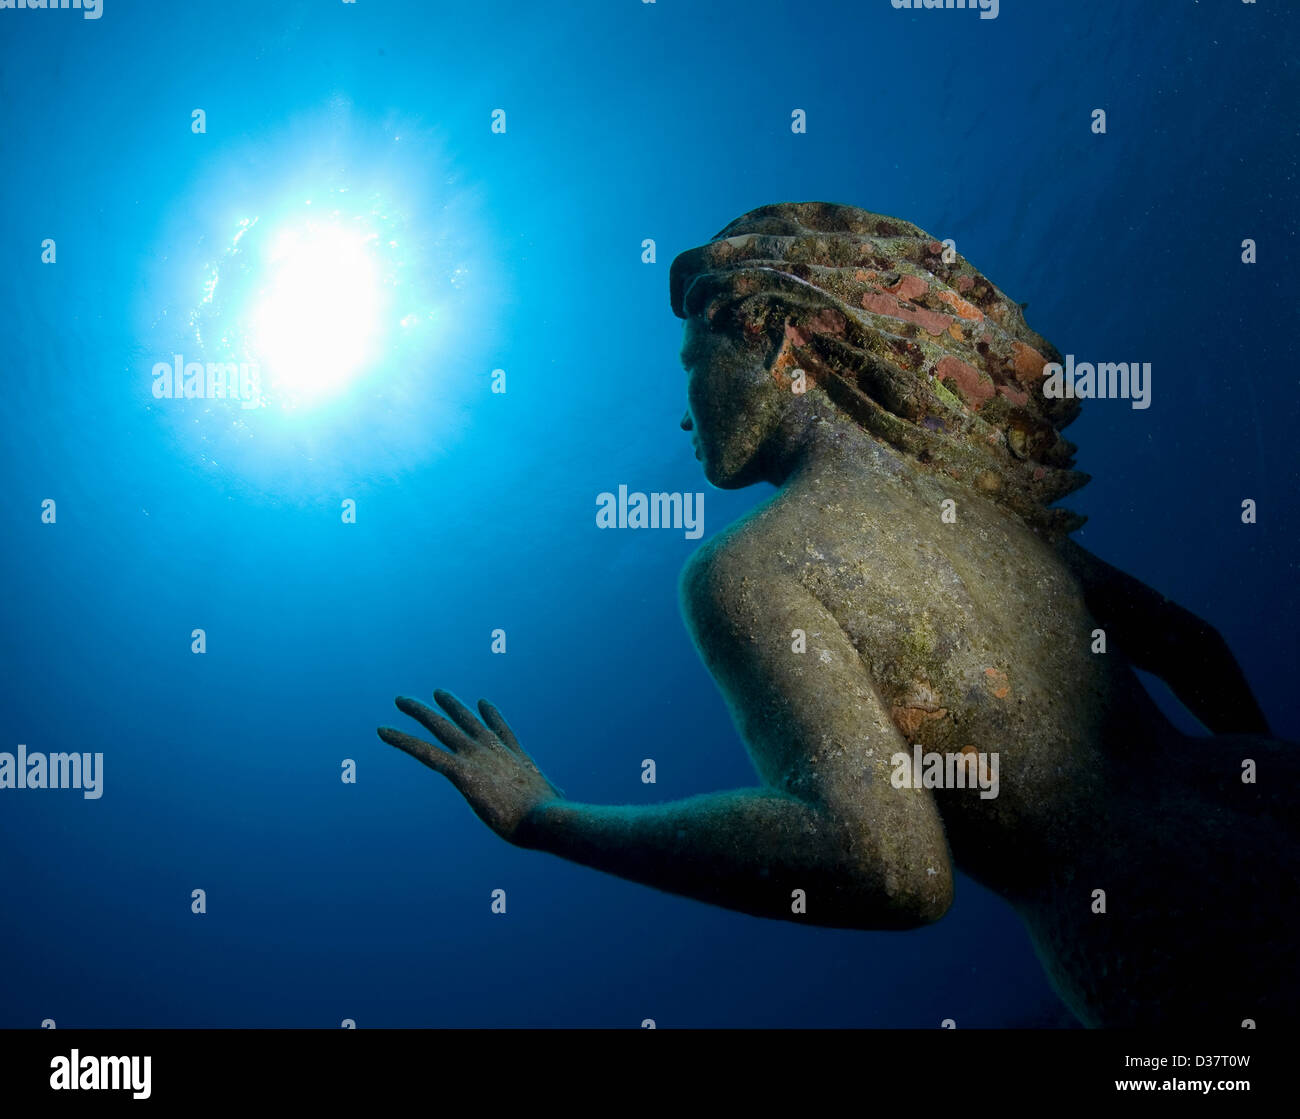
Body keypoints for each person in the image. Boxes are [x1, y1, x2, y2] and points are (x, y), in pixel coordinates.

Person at [379, 202, 1295, 1027]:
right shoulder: (980, 504)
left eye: (695, 364)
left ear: (780, 344)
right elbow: (1191, 643)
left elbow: (890, 871)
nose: (685, 419)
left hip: (1171, 942)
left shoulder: (751, 567)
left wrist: (547, 818)